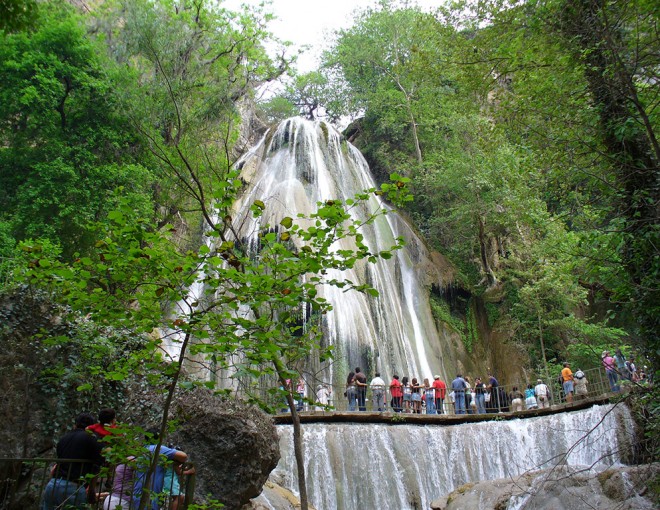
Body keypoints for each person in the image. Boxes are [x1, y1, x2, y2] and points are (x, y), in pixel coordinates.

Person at [40, 413, 104, 510]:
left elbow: (57, 464)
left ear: (75, 424)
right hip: (73, 487)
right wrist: (91, 491)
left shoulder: (63, 438)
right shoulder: (92, 440)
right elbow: (96, 467)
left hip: (53, 484)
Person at [132, 429, 188, 510]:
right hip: (150, 496)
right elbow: (183, 456)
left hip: (137, 493)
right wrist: (173, 460)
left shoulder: (142, 450)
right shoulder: (158, 449)